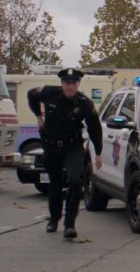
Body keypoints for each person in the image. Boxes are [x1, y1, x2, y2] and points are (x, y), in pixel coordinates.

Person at [27, 68, 103, 239]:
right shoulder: (49, 93)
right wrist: (38, 116)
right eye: (67, 83)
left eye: (73, 83)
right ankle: (54, 218)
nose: (70, 86)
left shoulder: (85, 103)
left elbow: (95, 128)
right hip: (51, 146)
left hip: (73, 146)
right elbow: (31, 95)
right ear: (61, 83)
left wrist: (98, 153)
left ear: (78, 84)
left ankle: (70, 224)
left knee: (75, 180)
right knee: (55, 182)